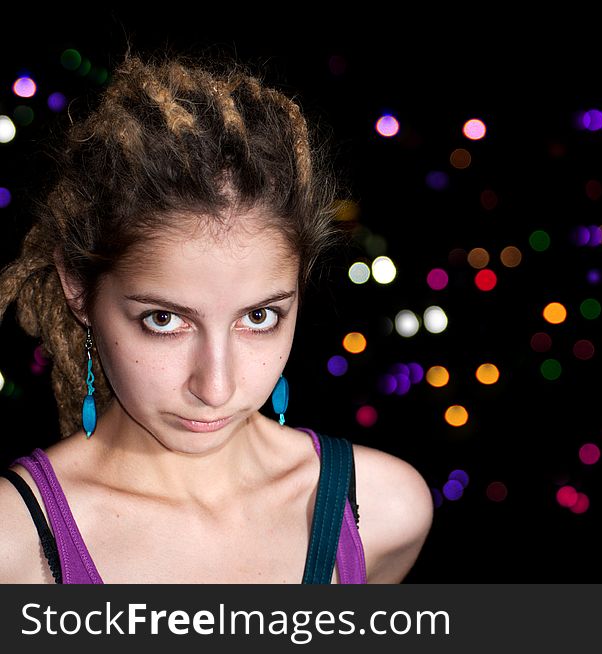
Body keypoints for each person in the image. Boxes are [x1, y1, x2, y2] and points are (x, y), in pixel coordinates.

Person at [0, 48, 433, 583]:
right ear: (77, 288)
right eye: (164, 320)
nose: (217, 386)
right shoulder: (13, 544)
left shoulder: (383, 512)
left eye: (259, 317)